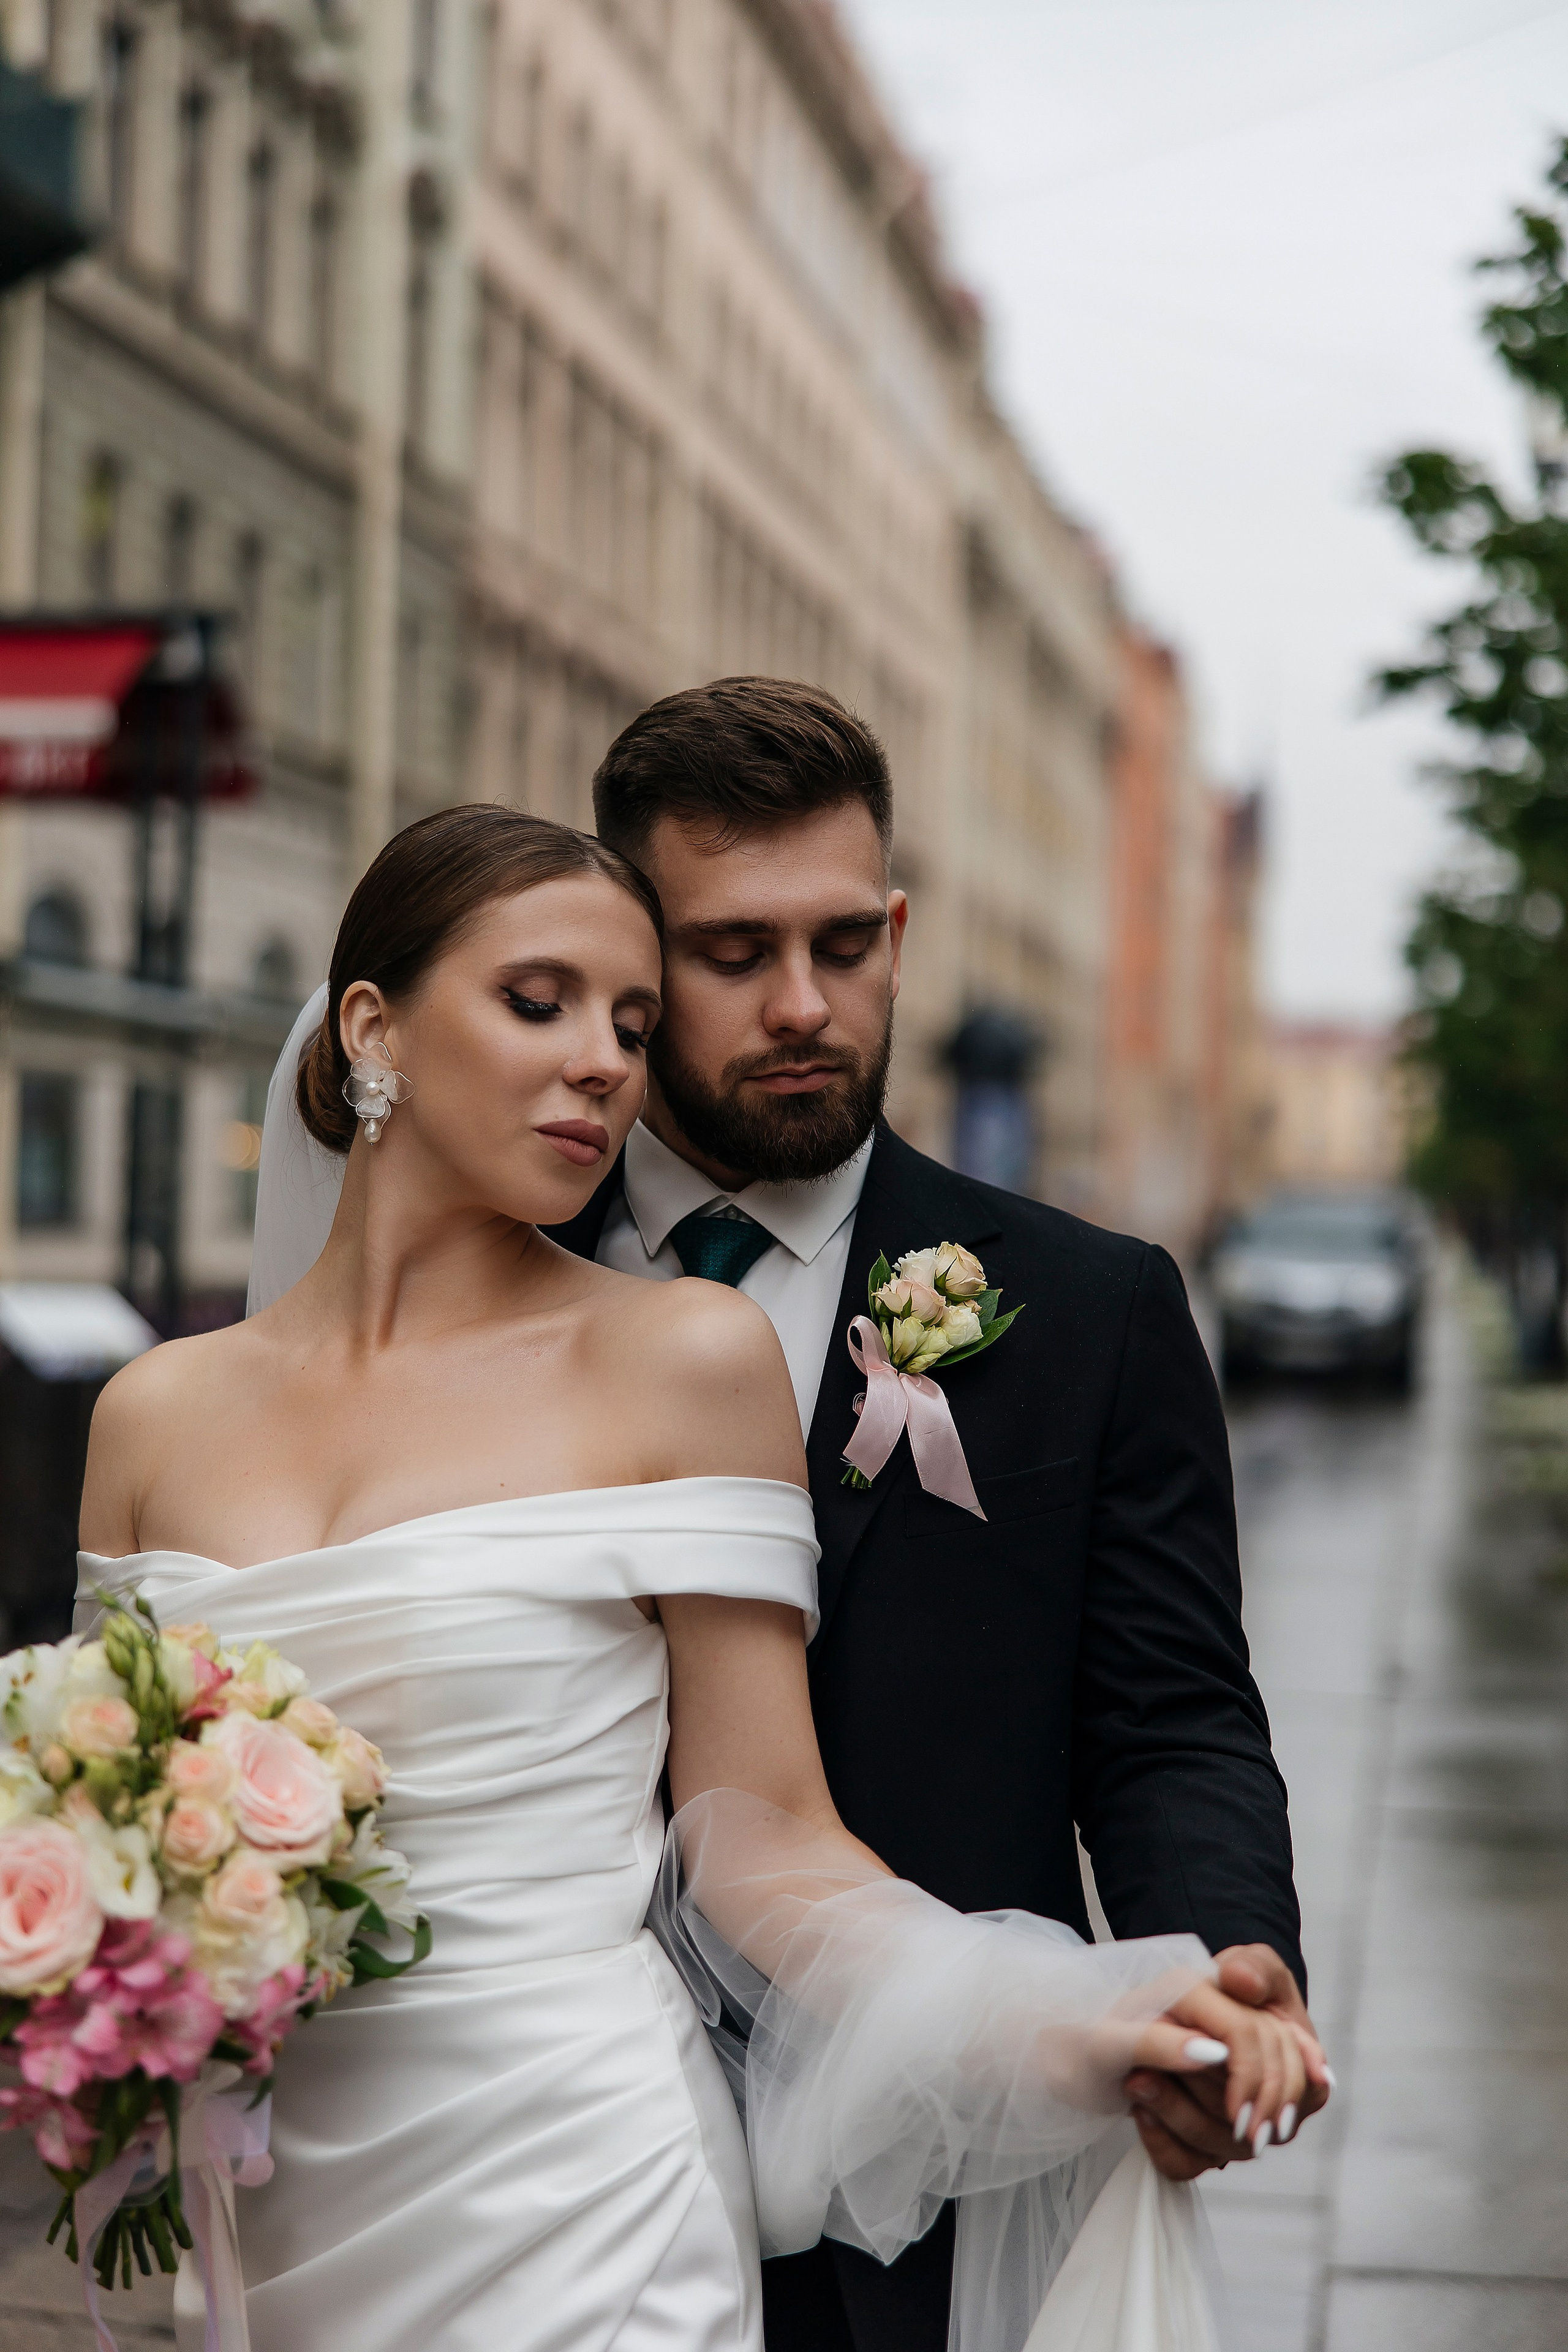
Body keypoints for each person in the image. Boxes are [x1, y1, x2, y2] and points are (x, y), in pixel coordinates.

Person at [82, 804, 1318, 2352]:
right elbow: (109, 1814)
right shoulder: (151, 1414)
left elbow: (778, 1829)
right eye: (544, 1001)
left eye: (629, 1018)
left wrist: (1104, 2001)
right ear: (371, 1025)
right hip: (247, 2196)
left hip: (581, 2190)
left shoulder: (694, 1355)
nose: (605, 1057)